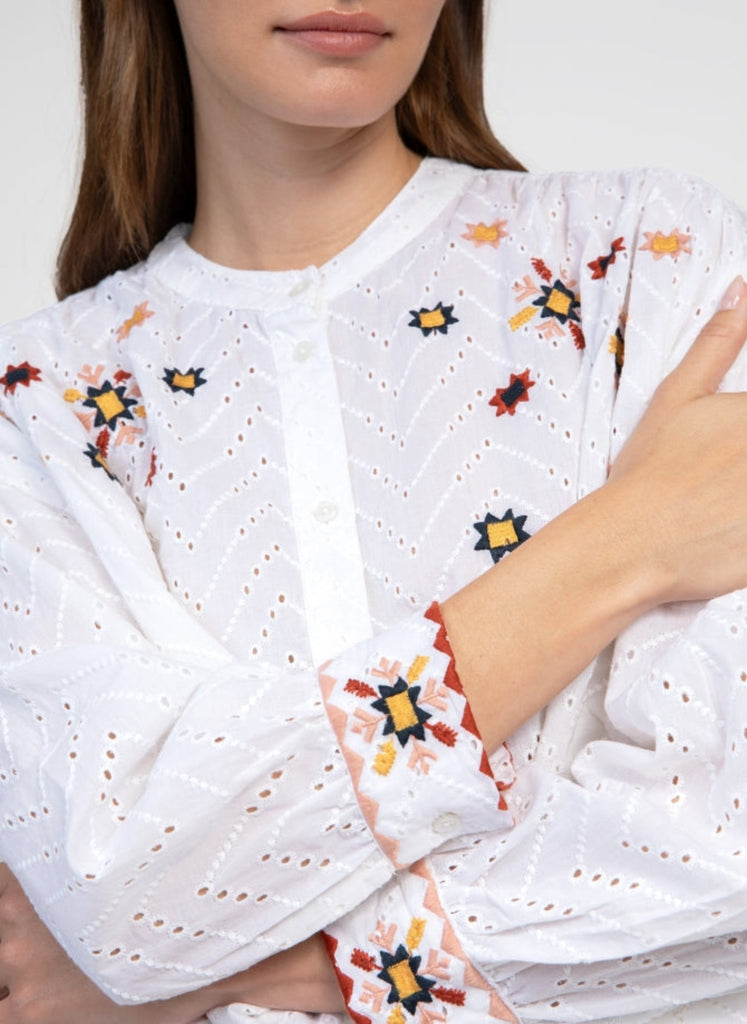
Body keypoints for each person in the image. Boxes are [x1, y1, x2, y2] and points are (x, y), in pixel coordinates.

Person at [0, 1, 746, 1022]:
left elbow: (724, 846)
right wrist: (625, 544)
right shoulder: (42, 403)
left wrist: (242, 964)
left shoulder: (650, 265)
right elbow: (121, 883)